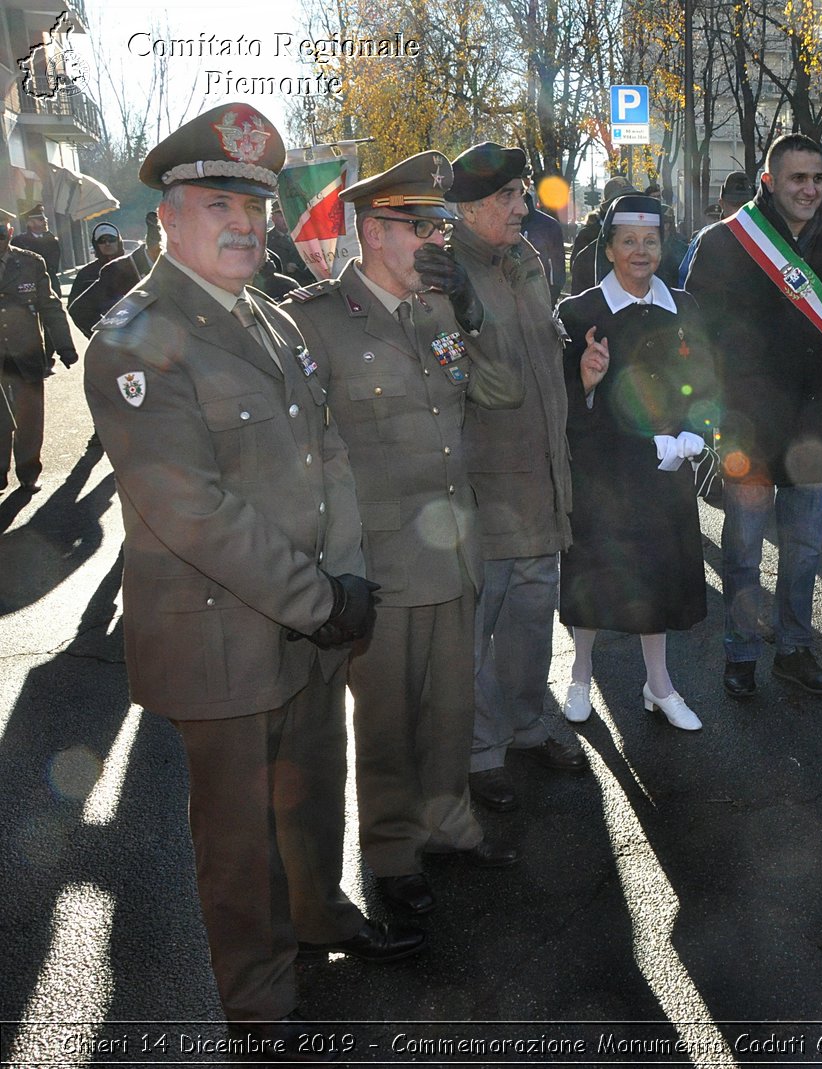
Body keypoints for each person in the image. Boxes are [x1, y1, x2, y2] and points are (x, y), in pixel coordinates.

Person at [81, 102, 418, 1054]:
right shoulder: (133, 339)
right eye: (217, 201)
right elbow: (190, 510)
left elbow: (332, 461)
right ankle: (259, 1002)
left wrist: (347, 579)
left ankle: (321, 918)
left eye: (255, 205)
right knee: (237, 838)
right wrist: (324, 602)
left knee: (313, 788)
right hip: (220, 633)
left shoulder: (270, 321)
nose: (242, 222)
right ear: (167, 220)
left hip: (311, 620)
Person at [282, 150, 526, 918]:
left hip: (455, 551)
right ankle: (390, 851)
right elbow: (307, 458)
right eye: (419, 225)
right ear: (371, 230)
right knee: (386, 721)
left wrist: (476, 316)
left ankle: (449, 819)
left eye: (440, 224)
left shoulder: (438, 305)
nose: (435, 240)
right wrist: (335, 566)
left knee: (451, 706)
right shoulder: (315, 320)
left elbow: (502, 391)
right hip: (379, 563)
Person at [685, 133, 822, 699]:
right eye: (797, 179)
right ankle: (740, 652)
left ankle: (794, 648)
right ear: (768, 181)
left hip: (812, 425)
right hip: (748, 427)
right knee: (742, 549)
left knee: (806, 548)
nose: (810, 189)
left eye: (816, 178)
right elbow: (697, 334)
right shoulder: (725, 242)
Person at [449, 142, 587, 812]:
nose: (521, 205)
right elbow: (475, 379)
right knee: (479, 629)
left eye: (522, 193)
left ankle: (528, 725)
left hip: (539, 479)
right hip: (484, 487)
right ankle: (479, 753)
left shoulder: (524, 259)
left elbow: (541, 351)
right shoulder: (445, 272)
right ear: (469, 208)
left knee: (532, 623)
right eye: (505, 197)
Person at [555, 195, 715, 730]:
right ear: (609, 249)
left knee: (659, 577)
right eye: (628, 241)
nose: (640, 252)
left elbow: (705, 382)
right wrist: (585, 380)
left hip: (667, 472)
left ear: (662, 246)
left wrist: (695, 431)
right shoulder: (579, 313)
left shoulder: (685, 308)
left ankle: (659, 685)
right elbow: (560, 404)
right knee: (595, 576)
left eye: (650, 242)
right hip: (605, 474)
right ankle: (579, 677)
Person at [2, 207, 75, 494]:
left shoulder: (30, 262)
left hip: (26, 352)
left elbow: (50, 306)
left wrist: (65, 345)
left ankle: (28, 473)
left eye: (0, 232)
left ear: (9, 233)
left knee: (30, 417)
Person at [679, 170, 757, 284]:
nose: (741, 211)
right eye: (735, 205)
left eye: (746, 205)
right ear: (722, 204)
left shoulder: (765, 238)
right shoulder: (705, 238)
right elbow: (684, 282)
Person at [571, 175, 638, 293]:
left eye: (632, 203)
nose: (628, 209)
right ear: (608, 210)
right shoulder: (587, 239)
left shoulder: (646, 245)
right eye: (622, 205)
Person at [66, 221, 126, 331]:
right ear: (96, 245)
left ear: (119, 241)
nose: (107, 244)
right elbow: (75, 310)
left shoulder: (132, 266)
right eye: (102, 241)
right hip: (105, 337)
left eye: (111, 239)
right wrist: (95, 334)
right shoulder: (86, 273)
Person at [522, 187, 567, 294]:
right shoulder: (491, 223)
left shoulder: (548, 225)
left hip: (539, 297)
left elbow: (557, 265)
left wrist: (552, 295)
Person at [266, 199, 316, 286]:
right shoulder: (267, 239)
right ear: (273, 218)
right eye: (282, 215)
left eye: (287, 214)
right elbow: (264, 267)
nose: (286, 218)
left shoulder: (304, 233)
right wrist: (285, 267)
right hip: (285, 287)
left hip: (310, 283)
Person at [13, 204, 61, 285]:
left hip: (50, 282)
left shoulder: (52, 240)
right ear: (30, 223)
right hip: (28, 284)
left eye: (45, 218)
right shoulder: (19, 241)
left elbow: (54, 265)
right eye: (41, 219)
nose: (45, 221)